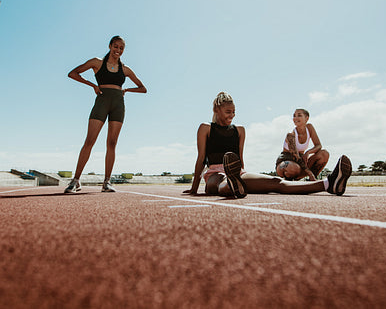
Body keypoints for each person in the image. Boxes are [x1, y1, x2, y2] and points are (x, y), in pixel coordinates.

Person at [183, 92, 352, 198]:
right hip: (214, 173)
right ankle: (232, 184)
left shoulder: (240, 130)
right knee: (221, 183)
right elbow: (200, 159)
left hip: (238, 173)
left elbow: (240, 159)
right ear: (217, 110)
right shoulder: (205, 128)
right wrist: (194, 188)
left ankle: (329, 184)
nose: (232, 115)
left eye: (234, 111)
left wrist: (243, 174)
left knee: (275, 182)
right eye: (228, 112)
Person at [64, 35, 146, 193]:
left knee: (112, 143)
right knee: (90, 141)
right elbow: (73, 73)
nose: (118, 50)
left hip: (118, 105)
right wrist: (92, 85)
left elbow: (143, 88)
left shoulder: (126, 69)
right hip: (101, 102)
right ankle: (76, 180)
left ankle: (106, 182)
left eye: (121, 48)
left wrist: (127, 90)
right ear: (109, 46)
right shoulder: (97, 62)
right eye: (116, 46)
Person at [275, 108, 329, 181]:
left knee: (324, 154)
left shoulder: (309, 128)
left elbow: (318, 145)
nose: (295, 118)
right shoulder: (291, 135)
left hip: (300, 163)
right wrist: (309, 173)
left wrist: (308, 152)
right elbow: (297, 158)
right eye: (294, 116)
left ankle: (311, 179)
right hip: (285, 162)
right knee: (292, 168)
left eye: (299, 115)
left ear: (306, 118)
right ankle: (292, 179)